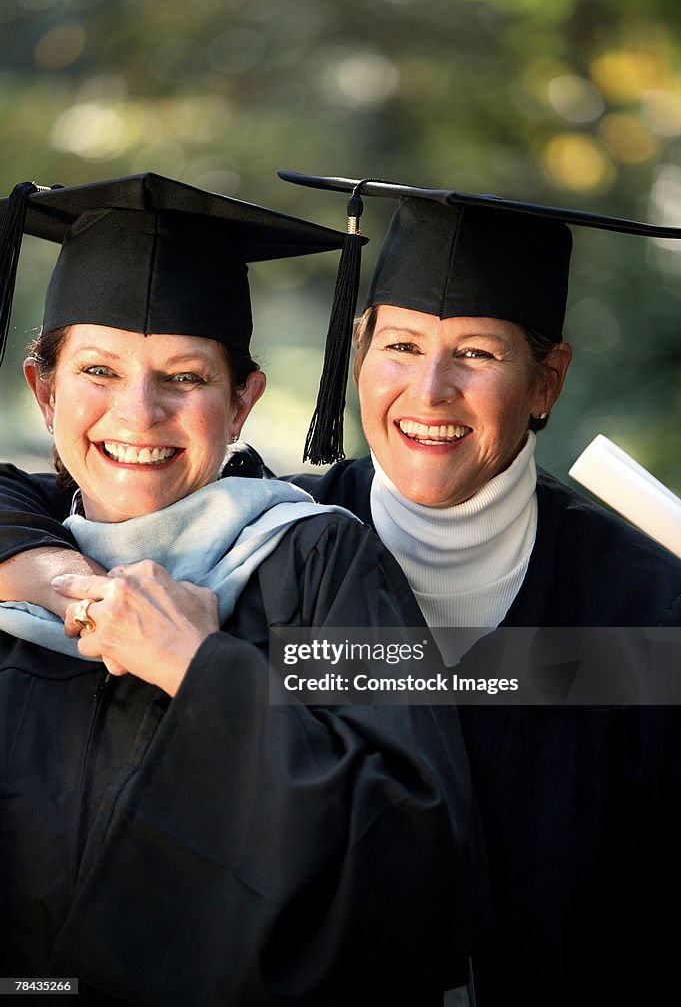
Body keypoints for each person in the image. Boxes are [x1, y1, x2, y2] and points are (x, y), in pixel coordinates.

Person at [0, 173, 488, 1006]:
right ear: (44, 391)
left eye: (185, 377)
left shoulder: (318, 563)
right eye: (98, 371)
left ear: (242, 401)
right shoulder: (27, 552)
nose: (138, 412)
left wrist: (203, 673)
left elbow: (414, 851)